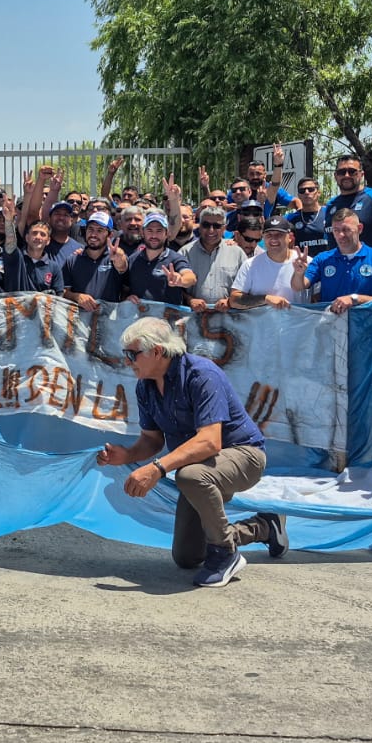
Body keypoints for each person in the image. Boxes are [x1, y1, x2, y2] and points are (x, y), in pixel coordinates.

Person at [96, 317, 288, 587]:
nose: (127, 361)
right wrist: (126, 455)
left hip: (244, 456)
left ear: (158, 351)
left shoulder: (201, 374)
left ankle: (225, 555)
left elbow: (210, 442)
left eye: (132, 354)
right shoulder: (145, 386)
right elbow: (151, 441)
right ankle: (265, 526)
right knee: (187, 557)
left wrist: (156, 468)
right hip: (200, 465)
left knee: (189, 476)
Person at [290, 207, 372, 313]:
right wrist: (299, 273)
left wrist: (355, 299)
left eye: (346, 230)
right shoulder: (323, 259)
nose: (341, 235)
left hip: (367, 326)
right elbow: (298, 287)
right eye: (336, 230)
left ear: (360, 228)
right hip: (331, 326)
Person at [229, 217, 305, 309]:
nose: (273, 239)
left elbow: (316, 299)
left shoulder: (306, 262)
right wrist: (265, 299)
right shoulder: (250, 265)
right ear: (263, 237)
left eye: (279, 234)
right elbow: (234, 300)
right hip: (260, 323)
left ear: (290, 237)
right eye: (269, 235)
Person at [122, 212, 194, 307]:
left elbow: (191, 277)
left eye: (159, 231)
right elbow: (124, 289)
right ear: (142, 232)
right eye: (150, 230)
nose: (154, 236)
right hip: (139, 318)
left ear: (167, 233)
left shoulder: (175, 258)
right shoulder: (133, 259)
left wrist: (180, 280)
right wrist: (127, 298)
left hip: (167, 319)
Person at [182, 205, 245, 313]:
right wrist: (189, 300)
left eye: (217, 226)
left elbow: (247, 286)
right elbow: (174, 288)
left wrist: (230, 301)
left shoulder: (237, 253)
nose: (211, 230)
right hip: (194, 321)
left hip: (229, 320)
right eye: (206, 225)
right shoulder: (184, 253)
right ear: (199, 226)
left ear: (224, 228)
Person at [60, 212, 128, 311]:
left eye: (100, 230)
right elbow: (63, 291)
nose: (93, 235)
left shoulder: (115, 257)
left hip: (109, 322)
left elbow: (122, 266)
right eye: (90, 229)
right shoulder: (72, 260)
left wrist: (120, 257)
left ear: (110, 235)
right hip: (79, 321)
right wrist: (76, 296)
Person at [2, 221, 64, 294]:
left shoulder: (54, 267)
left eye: (43, 234)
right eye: (34, 233)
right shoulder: (16, 259)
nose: (38, 237)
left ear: (48, 241)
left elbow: (59, 295)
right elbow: (10, 242)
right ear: (27, 237)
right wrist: (9, 219)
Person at [285, 176, 331, 258]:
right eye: (302, 191)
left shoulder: (330, 215)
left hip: (328, 266)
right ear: (298, 195)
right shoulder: (290, 219)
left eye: (311, 189)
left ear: (318, 193)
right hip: (302, 266)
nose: (306, 192)